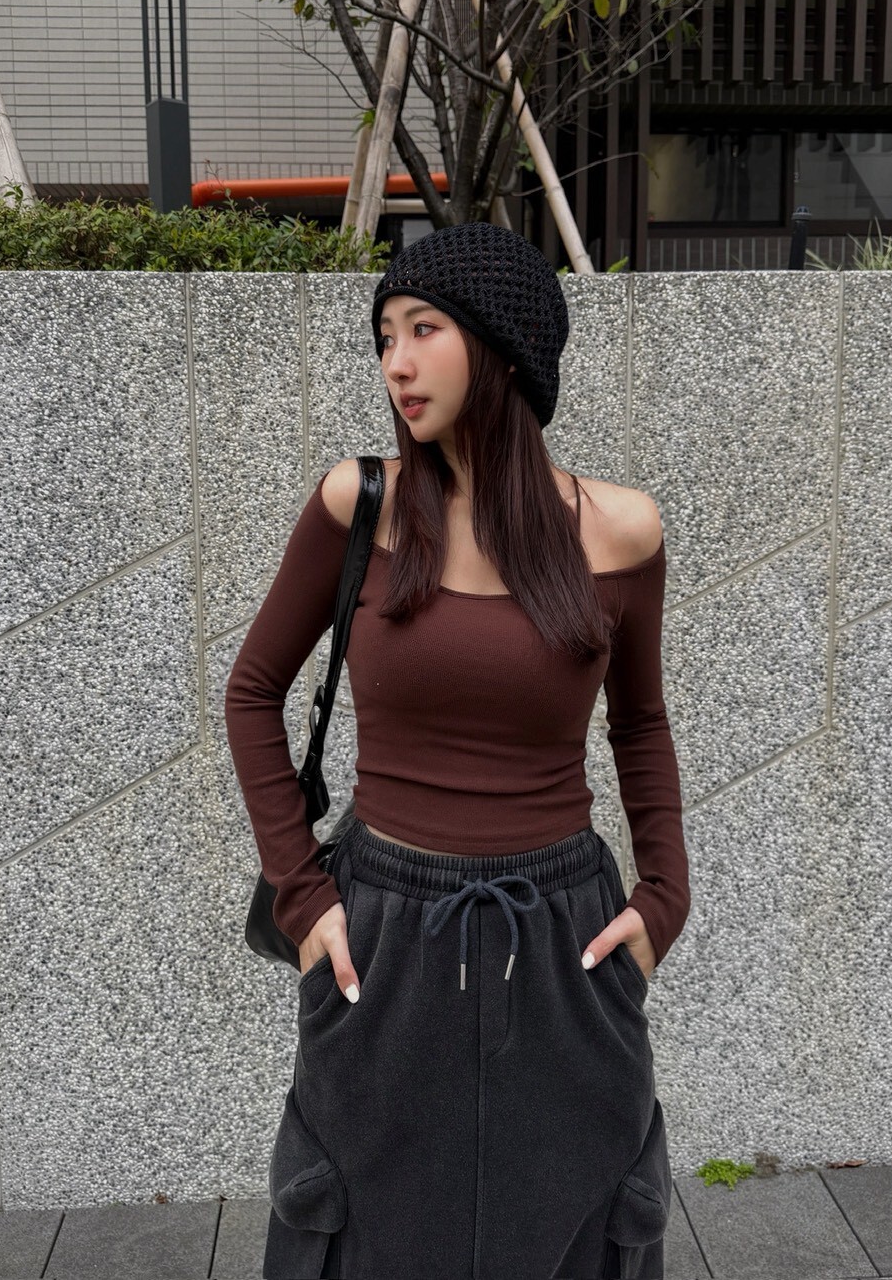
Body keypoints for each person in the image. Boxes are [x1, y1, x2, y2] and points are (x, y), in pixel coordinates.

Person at [224, 221, 691, 1280]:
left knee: (581, 1222)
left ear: (504, 348)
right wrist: (305, 901)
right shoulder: (361, 504)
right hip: (384, 933)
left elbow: (640, 725)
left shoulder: (621, 530)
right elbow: (253, 693)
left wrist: (663, 901)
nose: (395, 361)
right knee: (356, 1228)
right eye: (384, 334)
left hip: (565, 937)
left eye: (423, 329)